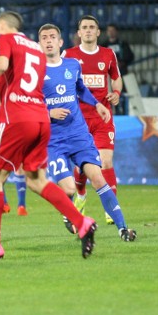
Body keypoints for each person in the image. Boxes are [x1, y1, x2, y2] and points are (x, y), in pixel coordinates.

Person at [0, 11, 97, 260]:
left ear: (1, 27)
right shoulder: (36, 51)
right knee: (36, 180)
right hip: (40, 119)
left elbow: (1, 65)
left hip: (15, 120)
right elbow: (24, 88)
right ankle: (81, 222)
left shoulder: (6, 40)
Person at [38, 23, 137, 242]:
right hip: (54, 141)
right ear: (39, 43)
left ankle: (122, 228)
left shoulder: (72, 65)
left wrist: (97, 104)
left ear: (61, 42)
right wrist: (48, 112)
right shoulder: (35, 72)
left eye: (52, 36)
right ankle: (69, 212)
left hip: (78, 135)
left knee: (98, 178)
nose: (48, 40)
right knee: (69, 188)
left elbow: (81, 89)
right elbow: (28, 105)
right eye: (44, 37)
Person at [63, 15, 122, 225]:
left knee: (106, 161)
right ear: (79, 33)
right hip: (77, 120)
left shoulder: (108, 54)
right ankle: (80, 195)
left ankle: (110, 207)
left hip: (102, 116)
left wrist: (116, 92)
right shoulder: (68, 55)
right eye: (84, 27)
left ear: (98, 32)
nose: (88, 30)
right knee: (81, 166)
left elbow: (116, 77)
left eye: (92, 27)